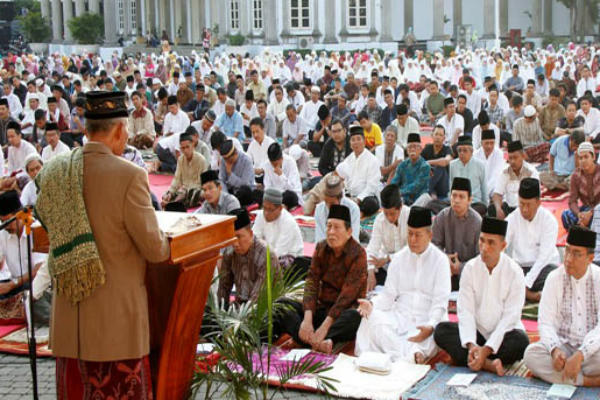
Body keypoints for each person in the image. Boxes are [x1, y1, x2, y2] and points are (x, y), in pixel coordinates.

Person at [35, 91, 170, 397]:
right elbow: (155, 249)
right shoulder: (129, 176)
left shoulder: (56, 171)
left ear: (86, 129)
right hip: (115, 327)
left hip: (71, 320)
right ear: (121, 130)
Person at [434, 217, 529, 376]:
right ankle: (487, 364)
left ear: (503, 246)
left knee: (522, 342)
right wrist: (472, 345)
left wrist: (486, 349)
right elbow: (466, 311)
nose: (484, 248)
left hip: (503, 336)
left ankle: (475, 359)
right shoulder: (470, 268)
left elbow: (510, 318)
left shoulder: (515, 272)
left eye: (491, 243)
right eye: (482, 241)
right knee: (441, 331)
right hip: (476, 334)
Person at [355, 206, 451, 363]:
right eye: (410, 234)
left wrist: (431, 325)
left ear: (429, 235)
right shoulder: (399, 258)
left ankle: (408, 354)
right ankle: (406, 357)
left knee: (439, 331)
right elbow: (388, 296)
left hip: (427, 318)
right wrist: (371, 304)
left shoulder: (440, 261)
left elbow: (440, 303)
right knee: (369, 318)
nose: (412, 240)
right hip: (400, 317)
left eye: (418, 235)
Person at [274, 204, 366, 354]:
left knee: (356, 317)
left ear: (349, 232)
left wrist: (325, 327)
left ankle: (316, 339)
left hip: (342, 314)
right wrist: (308, 318)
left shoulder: (358, 254)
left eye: (336, 227)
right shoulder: (321, 248)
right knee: (282, 305)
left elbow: (347, 296)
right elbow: (312, 282)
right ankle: (315, 341)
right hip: (321, 308)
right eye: (329, 226)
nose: (331, 232)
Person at [524, 226, 600, 386]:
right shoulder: (554, 278)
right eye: (567, 251)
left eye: (577, 254)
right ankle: (586, 381)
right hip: (563, 348)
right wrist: (554, 350)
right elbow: (545, 322)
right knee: (531, 355)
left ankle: (567, 376)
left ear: (590, 257)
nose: (568, 259)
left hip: (593, 352)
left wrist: (581, 355)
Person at [505, 178, 560, 302]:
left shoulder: (549, 221)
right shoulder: (512, 218)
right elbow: (501, 245)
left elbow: (544, 257)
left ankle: (522, 293)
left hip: (544, 268)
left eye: (528, 205)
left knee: (555, 278)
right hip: (520, 268)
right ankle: (531, 295)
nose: (524, 209)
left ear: (538, 203)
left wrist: (525, 283)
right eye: (521, 204)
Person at [0, 191, 48, 320]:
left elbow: (39, 268)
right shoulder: (3, 233)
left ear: (20, 215)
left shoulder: (36, 228)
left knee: (33, 297)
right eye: (2, 221)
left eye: (9, 221)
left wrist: (12, 284)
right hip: (15, 285)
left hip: (36, 284)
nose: (6, 226)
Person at [218, 208, 280, 306]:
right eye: (231, 238)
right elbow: (223, 288)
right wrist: (219, 312)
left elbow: (258, 299)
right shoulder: (230, 252)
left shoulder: (266, 255)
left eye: (238, 237)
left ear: (251, 233)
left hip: (266, 309)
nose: (235, 243)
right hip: (240, 307)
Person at [432, 177, 482, 291]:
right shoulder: (442, 216)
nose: (456, 200)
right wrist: (445, 259)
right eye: (454, 196)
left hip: (469, 272)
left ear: (470, 200)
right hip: (445, 269)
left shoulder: (477, 222)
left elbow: (480, 257)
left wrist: (460, 267)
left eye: (461, 197)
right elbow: (434, 245)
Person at [365, 184, 410, 291]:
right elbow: (372, 248)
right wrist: (370, 272)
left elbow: (413, 249)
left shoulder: (410, 216)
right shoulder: (380, 220)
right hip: (386, 267)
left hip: (408, 265)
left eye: (393, 214)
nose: (389, 218)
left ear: (400, 207)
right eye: (386, 213)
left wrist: (388, 258)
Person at [252, 188, 304, 268]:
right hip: (267, 253)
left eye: (270, 210)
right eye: (264, 208)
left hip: (288, 257)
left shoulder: (288, 221)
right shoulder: (261, 215)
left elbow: (279, 252)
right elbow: (254, 239)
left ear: (280, 208)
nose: (266, 213)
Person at [491, 140, 539, 219]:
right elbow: (497, 194)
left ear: (523, 156)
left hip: (525, 209)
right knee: (492, 209)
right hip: (509, 209)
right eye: (510, 158)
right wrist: (498, 209)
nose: (512, 161)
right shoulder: (505, 172)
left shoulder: (531, 172)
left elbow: (535, 198)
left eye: (515, 157)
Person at [335, 125, 382, 202]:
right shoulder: (348, 159)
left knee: (370, 203)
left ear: (364, 142)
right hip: (350, 196)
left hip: (367, 197)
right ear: (350, 144)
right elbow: (340, 174)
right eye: (353, 140)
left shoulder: (373, 160)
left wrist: (358, 199)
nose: (356, 142)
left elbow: (372, 186)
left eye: (358, 139)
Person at [161, 133, 208, 209]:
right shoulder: (180, 159)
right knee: (166, 195)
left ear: (193, 145)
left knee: (197, 194)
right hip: (183, 190)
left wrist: (187, 191)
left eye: (187, 147)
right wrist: (170, 192)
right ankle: (174, 203)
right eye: (183, 148)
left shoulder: (201, 160)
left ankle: (174, 204)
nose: (185, 150)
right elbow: (177, 179)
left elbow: (203, 183)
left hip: (196, 190)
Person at [562, 142, 600, 230]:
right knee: (565, 216)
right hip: (585, 210)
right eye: (580, 158)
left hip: (598, 210)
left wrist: (591, 214)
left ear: (593, 157)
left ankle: (585, 226)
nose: (583, 161)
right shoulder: (576, 176)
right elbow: (572, 201)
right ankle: (587, 225)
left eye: (586, 157)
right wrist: (580, 215)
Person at [314, 174, 360, 243]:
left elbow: (353, 239)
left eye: (332, 203)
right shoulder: (320, 209)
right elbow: (319, 238)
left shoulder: (353, 209)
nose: (328, 206)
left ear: (340, 199)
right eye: (326, 201)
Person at [448, 135, 487, 216]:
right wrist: (451, 202)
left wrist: (486, 206)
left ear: (471, 152)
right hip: (456, 202)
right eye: (459, 150)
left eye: (465, 150)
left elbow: (484, 188)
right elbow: (451, 187)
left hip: (474, 203)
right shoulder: (452, 165)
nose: (461, 153)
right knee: (433, 204)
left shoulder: (480, 165)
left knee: (477, 210)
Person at [391, 133, 431, 206]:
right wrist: (392, 190)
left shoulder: (425, 166)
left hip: (418, 198)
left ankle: (409, 212)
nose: (412, 149)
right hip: (404, 198)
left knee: (426, 197)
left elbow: (417, 186)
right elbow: (395, 181)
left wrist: (400, 192)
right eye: (410, 147)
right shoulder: (402, 165)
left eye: (415, 147)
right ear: (407, 150)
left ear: (420, 149)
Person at [422, 125, 453, 200]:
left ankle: (429, 190)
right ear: (432, 136)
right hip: (429, 179)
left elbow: (445, 161)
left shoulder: (447, 149)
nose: (438, 137)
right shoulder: (427, 148)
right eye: (436, 134)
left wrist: (428, 163)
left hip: (443, 185)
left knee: (440, 167)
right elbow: (420, 163)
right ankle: (432, 191)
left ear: (444, 138)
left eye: (440, 135)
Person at [474, 129, 505, 200]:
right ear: (481, 143)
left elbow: (496, 175)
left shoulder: (499, 154)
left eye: (492, 143)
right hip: (479, 188)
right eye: (486, 143)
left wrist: (485, 193)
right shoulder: (475, 155)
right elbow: (475, 176)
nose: (489, 146)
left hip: (494, 186)